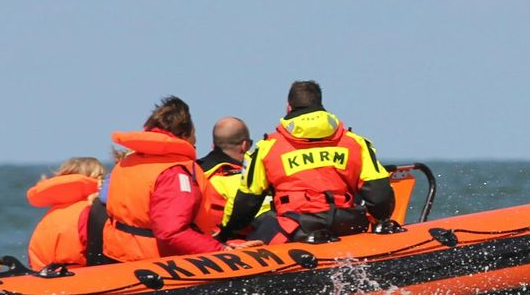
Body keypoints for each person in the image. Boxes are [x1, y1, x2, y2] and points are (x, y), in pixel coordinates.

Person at [220, 80, 395, 243]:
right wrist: (380, 218)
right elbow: (380, 196)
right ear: (321, 106)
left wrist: (227, 234)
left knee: (259, 231)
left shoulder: (266, 149)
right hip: (348, 225)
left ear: (289, 108)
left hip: (297, 229)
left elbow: (247, 203)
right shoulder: (355, 143)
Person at [92, 96, 227, 261]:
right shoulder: (174, 173)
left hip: (118, 256)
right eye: (194, 134)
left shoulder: (127, 163)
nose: (196, 140)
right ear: (184, 135)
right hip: (155, 263)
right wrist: (220, 250)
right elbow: (171, 232)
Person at [25, 156, 105, 268]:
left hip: (44, 275)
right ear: (97, 179)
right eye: (102, 177)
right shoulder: (91, 210)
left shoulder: (50, 215)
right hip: (80, 274)